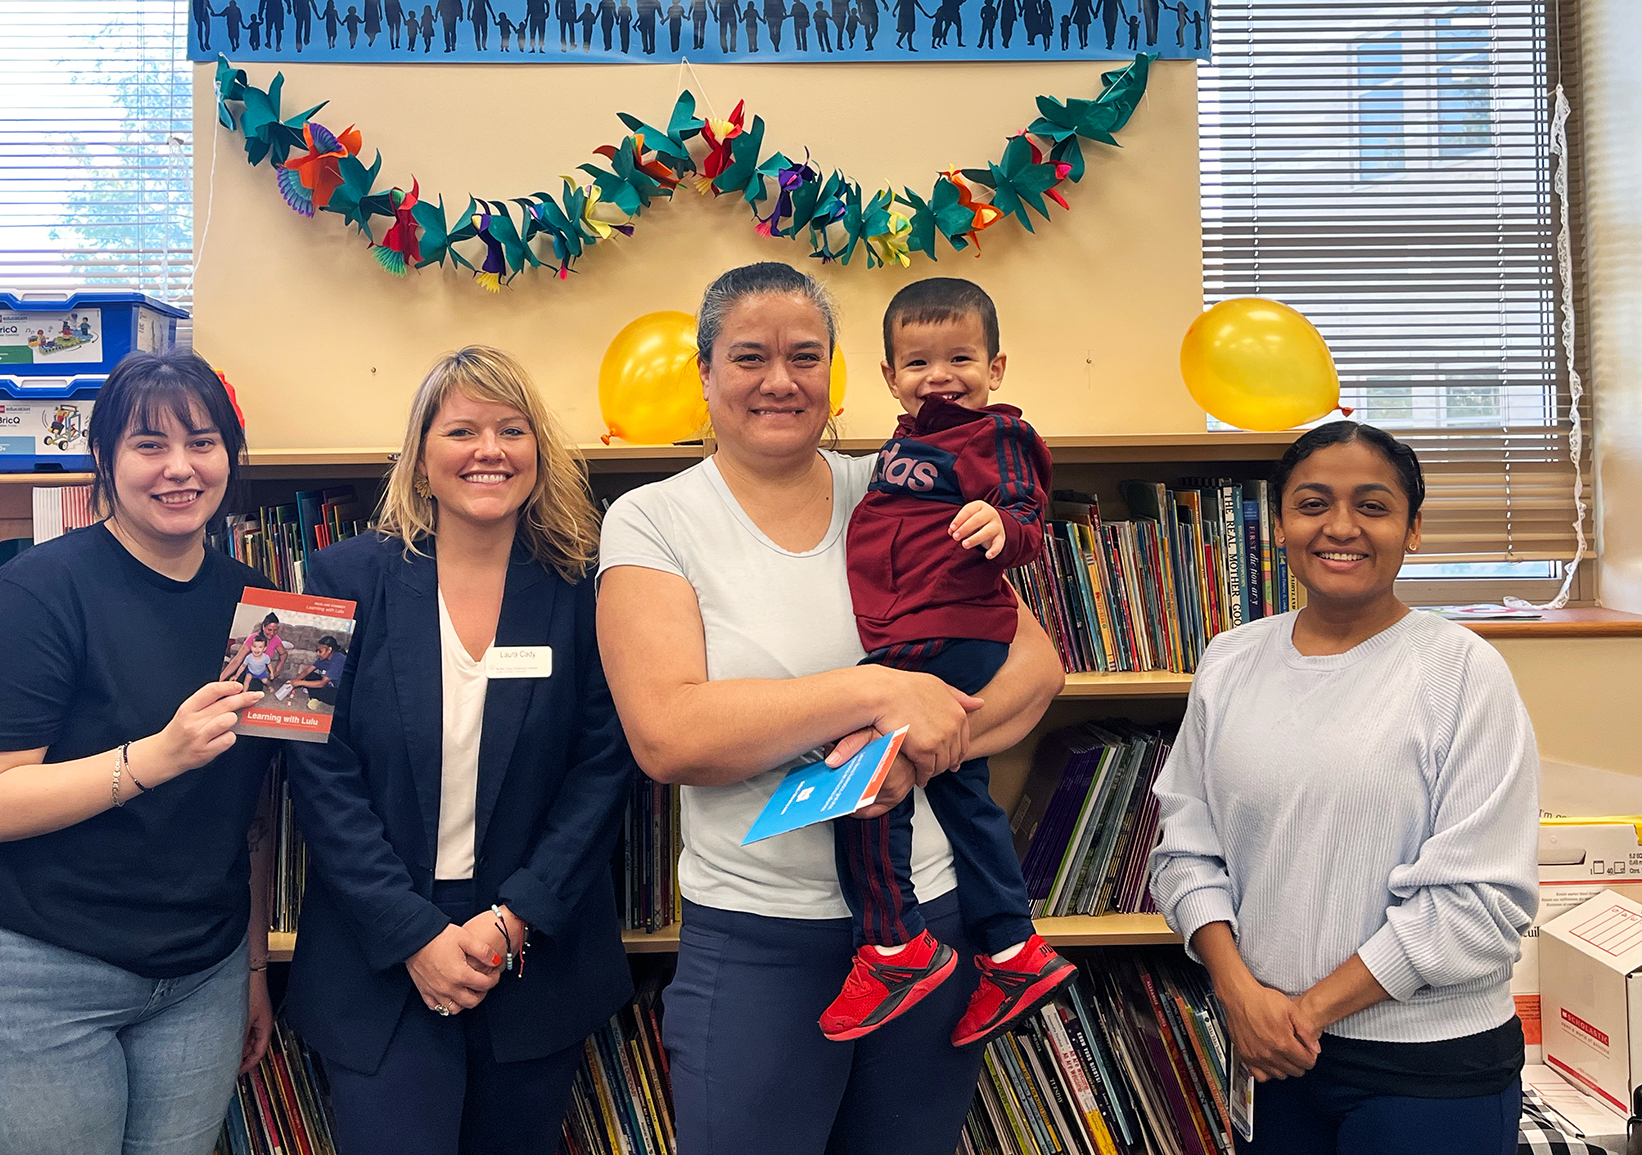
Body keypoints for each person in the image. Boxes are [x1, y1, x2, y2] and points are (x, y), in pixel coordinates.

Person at [597, 262, 1066, 1155]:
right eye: (749, 357)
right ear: (704, 376)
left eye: (805, 356)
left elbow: (1033, 668)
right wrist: (875, 693)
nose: (780, 380)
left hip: (931, 926)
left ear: (837, 373)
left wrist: (896, 754)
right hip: (760, 937)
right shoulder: (652, 519)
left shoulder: (898, 485)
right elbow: (670, 734)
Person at [0, 350, 276, 1155]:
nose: (180, 468)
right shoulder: (40, 590)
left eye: (203, 443)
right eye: (149, 445)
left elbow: (244, 819)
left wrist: (250, 970)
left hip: (196, 977)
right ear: (103, 459)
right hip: (26, 973)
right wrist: (156, 757)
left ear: (230, 457)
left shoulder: (259, 610)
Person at [1149, 421, 1537, 1155]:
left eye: (1373, 506)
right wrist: (1240, 996)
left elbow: (1481, 905)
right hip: (1270, 1057)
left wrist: (1305, 1011)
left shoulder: (1463, 672)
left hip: (1428, 1070)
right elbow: (1184, 856)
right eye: (1314, 503)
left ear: (1412, 529)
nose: (1340, 528)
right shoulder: (1230, 661)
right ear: (1281, 523)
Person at [285, 347, 634, 1155]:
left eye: (512, 430)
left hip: (533, 950)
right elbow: (307, 767)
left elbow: (605, 766)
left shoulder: (592, 584)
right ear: (421, 454)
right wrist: (412, 933)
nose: (489, 451)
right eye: (462, 430)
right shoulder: (321, 575)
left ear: (538, 453)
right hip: (375, 955)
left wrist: (514, 921)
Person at [823, 277, 1074, 1045]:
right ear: (890, 377)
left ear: (995, 368)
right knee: (964, 790)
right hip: (913, 628)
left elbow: (1030, 516)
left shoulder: (994, 434)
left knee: (865, 785)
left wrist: (1001, 524)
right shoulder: (905, 445)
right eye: (919, 362)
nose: (941, 375)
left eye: (961, 357)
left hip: (946, 632)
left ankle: (893, 945)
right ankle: (1012, 947)